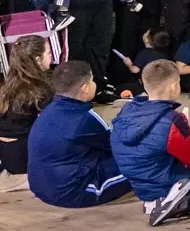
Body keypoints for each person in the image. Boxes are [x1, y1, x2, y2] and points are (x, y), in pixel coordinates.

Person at [110, 58, 190, 225]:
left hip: (141, 185)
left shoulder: (126, 112)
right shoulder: (171, 120)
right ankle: (182, 203)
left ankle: (158, 201)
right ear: (174, 86)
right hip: (166, 181)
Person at [26, 60, 130, 209]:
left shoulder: (47, 111)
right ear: (85, 88)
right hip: (71, 192)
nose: (95, 84)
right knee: (143, 161)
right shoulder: (84, 118)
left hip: (41, 186)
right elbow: (116, 145)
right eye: (92, 80)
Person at [0, 34, 53, 184]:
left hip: (6, 153)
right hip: (22, 156)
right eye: (48, 53)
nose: (52, 56)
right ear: (37, 60)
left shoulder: (8, 84)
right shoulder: (38, 88)